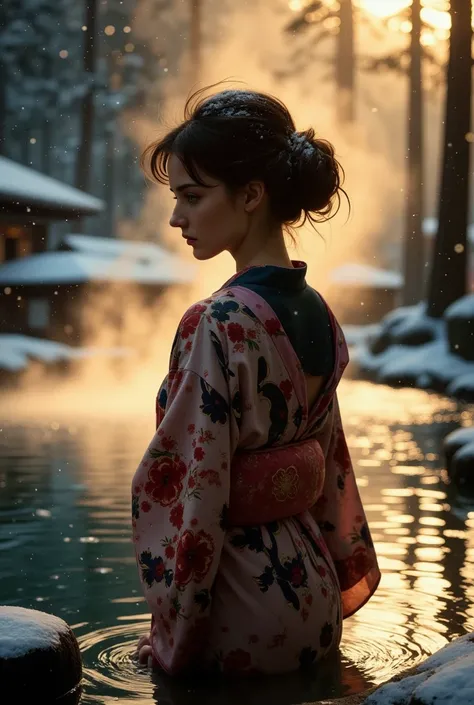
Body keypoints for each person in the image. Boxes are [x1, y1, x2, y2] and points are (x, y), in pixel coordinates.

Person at [131, 87, 380, 676]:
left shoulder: (216, 321)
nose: (176, 217)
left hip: (236, 604)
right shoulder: (319, 310)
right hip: (310, 592)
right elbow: (331, 462)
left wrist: (174, 631)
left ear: (250, 195)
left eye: (192, 197)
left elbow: (192, 489)